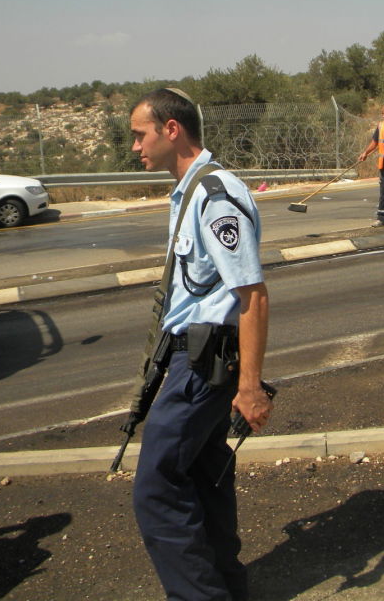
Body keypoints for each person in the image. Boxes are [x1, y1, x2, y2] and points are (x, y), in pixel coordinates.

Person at [129, 87, 273, 600]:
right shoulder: (190, 191)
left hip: (205, 362)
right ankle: (227, 587)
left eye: (140, 135)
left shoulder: (214, 196)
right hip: (194, 354)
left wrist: (250, 387)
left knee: (156, 486)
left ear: (171, 130)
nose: (135, 147)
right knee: (205, 475)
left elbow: (252, 295)